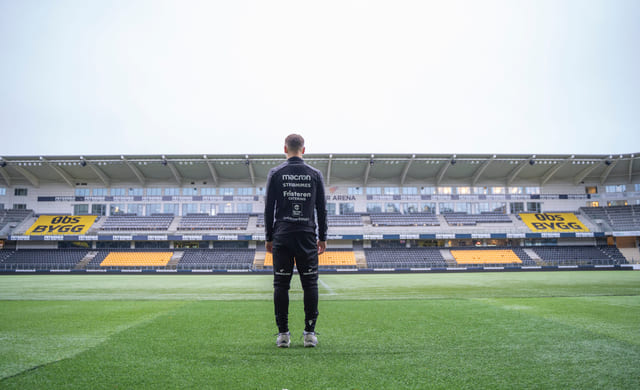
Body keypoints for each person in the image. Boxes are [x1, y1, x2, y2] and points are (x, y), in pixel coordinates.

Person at [264, 134, 328, 348]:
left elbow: (269, 209)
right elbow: (321, 209)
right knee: (310, 284)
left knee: (281, 285)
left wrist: (269, 237)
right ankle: (309, 333)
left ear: (285, 149)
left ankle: (283, 335)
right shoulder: (315, 174)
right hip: (306, 235)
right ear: (303, 149)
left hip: (282, 234)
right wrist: (323, 237)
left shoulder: (275, 173)